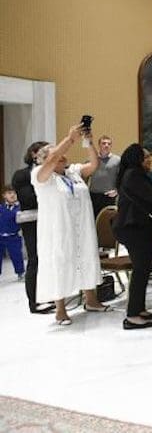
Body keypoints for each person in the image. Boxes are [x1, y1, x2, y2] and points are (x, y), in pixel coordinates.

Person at [32, 124, 108, 325]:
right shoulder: (40, 175)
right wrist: (69, 139)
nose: (62, 155)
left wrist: (88, 141)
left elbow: (94, 164)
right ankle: (60, 310)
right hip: (58, 229)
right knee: (59, 262)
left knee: (86, 257)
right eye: (56, 152)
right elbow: (50, 160)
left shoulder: (73, 172)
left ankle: (91, 300)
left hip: (81, 225)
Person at [114, 144, 152, 330]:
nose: (149, 160)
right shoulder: (134, 175)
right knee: (141, 269)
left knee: (144, 268)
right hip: (133, 227)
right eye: (146, 157)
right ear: (137, 159)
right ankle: (132, 315)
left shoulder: (135, 174)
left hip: (138, 226)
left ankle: (139, 309)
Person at [12, 141, 54, 314]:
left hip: (50, 217)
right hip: (32, 220)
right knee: (35, 259)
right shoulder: (21, 175)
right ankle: (34, 302)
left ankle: (49, 295)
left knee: (49, 258)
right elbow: (27, 198)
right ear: (34, 154)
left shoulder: (51, 172)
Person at [88, 134, 120, 216]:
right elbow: (84, 176)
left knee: (108, 223)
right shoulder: (92, 160)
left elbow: (122, 178)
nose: (106, 145)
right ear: (99, 145)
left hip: (109, 197)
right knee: (93, 221)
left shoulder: (117, 160)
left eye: (109, 144)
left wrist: (117, 190)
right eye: (104, 143)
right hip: (93, 196)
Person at [0, 186, 25, 280]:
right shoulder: (1, 207)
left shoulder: (19, 208)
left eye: (14, 193)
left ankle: (20, 272)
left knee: (16, 254)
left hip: (13, 236)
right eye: (9, 193)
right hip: (1, 236)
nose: (13, 195)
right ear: (4, 196)